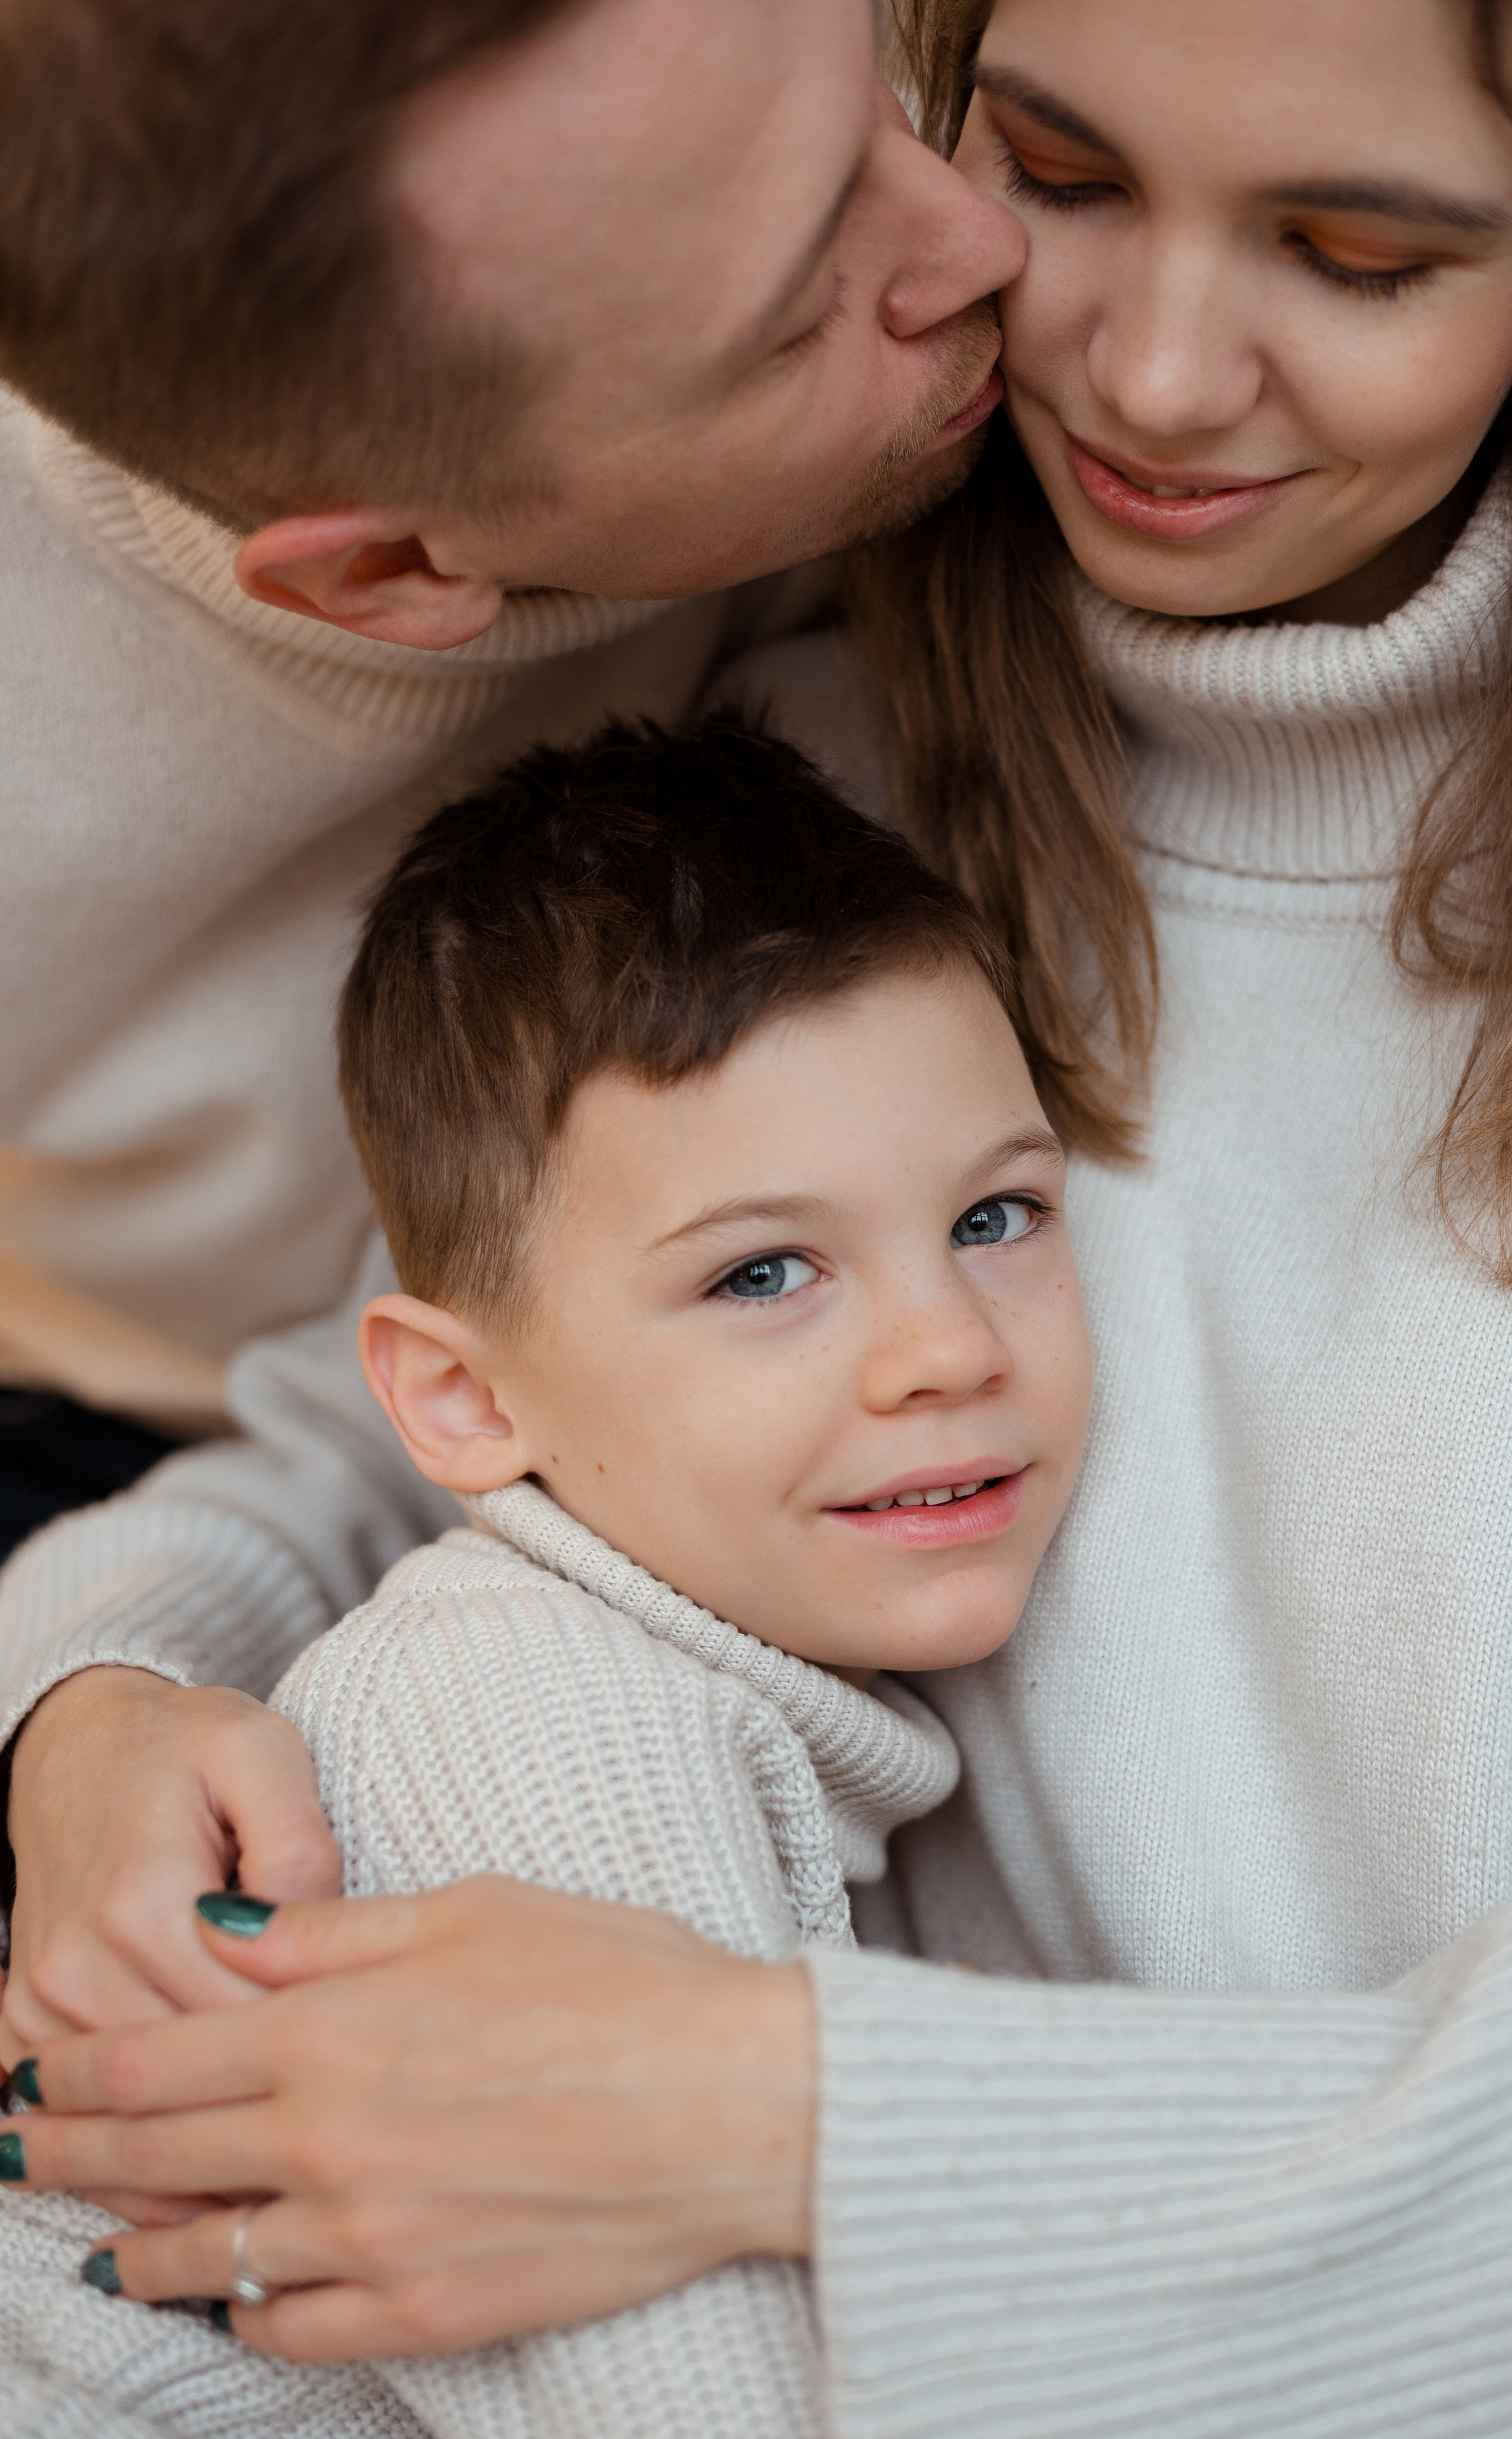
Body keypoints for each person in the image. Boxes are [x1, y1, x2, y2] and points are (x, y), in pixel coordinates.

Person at [7, 0, 1512, 2439]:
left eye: (1356, 253)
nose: (1136, 364)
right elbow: (447, 1421)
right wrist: (105, 1685)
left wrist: (771, 2109)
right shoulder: (832, 738)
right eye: (1045, 163)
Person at [1, 714, 1090, 2439]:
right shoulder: (536, 1713)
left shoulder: (730, 1689)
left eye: (995, 1216)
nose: (948, 1348)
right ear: (457, 1397)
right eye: (765, 1271)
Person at [0, 0, 1018, 1545]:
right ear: (393, 573)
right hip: (156, 1434)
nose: (977, 240)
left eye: (877, 93)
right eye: (799, 314)